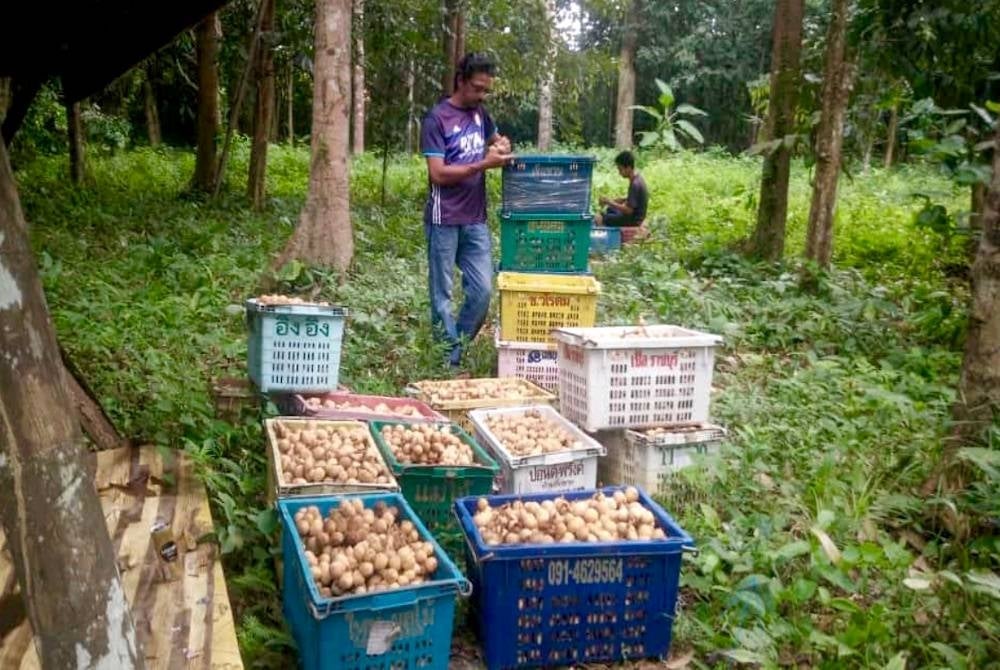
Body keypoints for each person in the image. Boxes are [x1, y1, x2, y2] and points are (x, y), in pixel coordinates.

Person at [421, 53, 513, 370]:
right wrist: (483, 164)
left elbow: (498, 140)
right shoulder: (437, 119)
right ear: (461, 80)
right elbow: (437, 173)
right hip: (443, 218)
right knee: (442, 296)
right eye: (477, 88)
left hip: (475, 219)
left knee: (483, 291)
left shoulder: (481, 115)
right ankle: (448, 363)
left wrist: (501, 146)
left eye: (486, 90)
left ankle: (454, 349)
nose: (481, 96)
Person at [594, 150, 648, 228]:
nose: (619, 172)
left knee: (600, 216)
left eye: (620, 169)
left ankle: (604, 235)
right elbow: (634, 200)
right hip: (636, 217)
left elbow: (629, 210)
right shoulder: (638, 178)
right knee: (610, 209)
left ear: (628, 168)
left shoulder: (635, 184)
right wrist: (616, 200)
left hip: (633, 220)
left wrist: (609, 202)